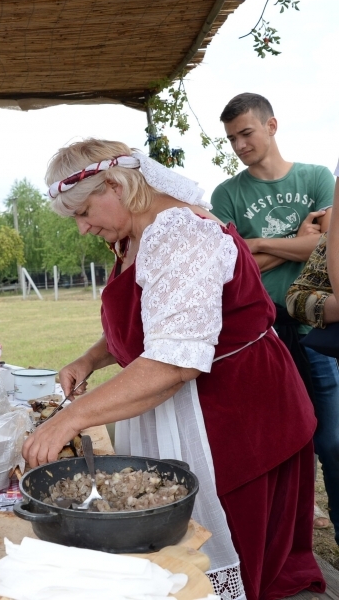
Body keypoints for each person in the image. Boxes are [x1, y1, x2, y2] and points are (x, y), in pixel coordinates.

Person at [23, 139, 324, 599]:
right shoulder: (134, 235)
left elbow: (172, 362)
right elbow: (155, 321)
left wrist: (71, 418)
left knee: (226, 556)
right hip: (191, 406)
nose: (83, 228)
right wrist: (90, 358)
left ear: (116, 186)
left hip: (238, 416)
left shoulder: (183, 235)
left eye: (84, 213)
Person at [210, 93, 339, 540]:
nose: (239, 145)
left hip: (317, 327)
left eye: (246, 133)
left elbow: (325, 246)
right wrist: (294, 240)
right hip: (260, 335)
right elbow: (227, 265)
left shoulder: (318, 177)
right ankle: (290, 537)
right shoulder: (226, 194)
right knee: (278, 443)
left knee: (332, 442)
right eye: (231, 139)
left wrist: (259, 243)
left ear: (272, 126)